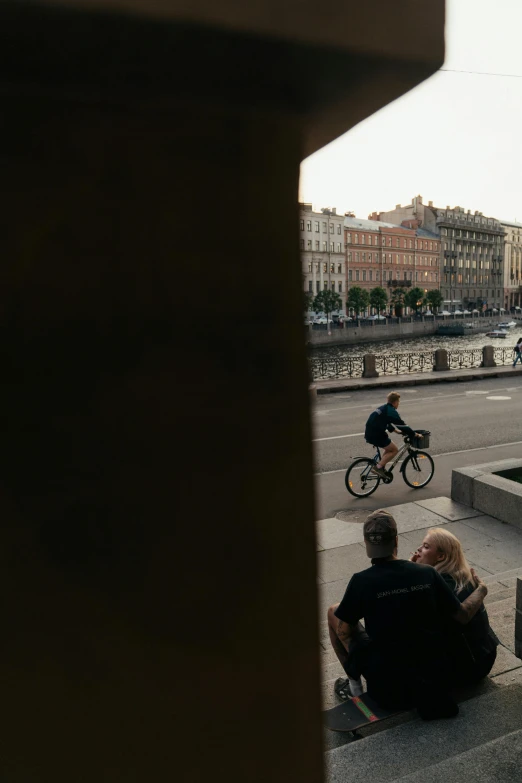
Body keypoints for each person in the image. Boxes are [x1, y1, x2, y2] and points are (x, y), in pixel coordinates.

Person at [327, 510, 489, 720]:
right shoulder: (428, 573)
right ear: (396, 540)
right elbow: (463, 615)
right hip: (434, 685)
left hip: (388, 692)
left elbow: (346, 632)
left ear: (366, 544)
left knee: (334, 612)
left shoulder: (361, 581)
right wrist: (482, 589)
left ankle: (355, 688)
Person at [411, 528, 499, 685]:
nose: (418, 549)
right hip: (484, 657)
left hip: (469, 668)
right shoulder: (460, 577)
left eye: (425, 546)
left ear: (441, 556)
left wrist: (413, 574)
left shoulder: (442, 587)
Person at [364, 392, 419, 479]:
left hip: (370, 433)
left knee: (389, 448)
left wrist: (396, 431)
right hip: (376, 434)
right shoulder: (391, 411)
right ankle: (378, 468)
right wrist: (414, 434)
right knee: (394, 450)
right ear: (395, 402)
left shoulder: (384, 408)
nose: (398, 404)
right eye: (398, 402)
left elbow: (385, 421)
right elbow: (402, 425)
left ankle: (381, 467)